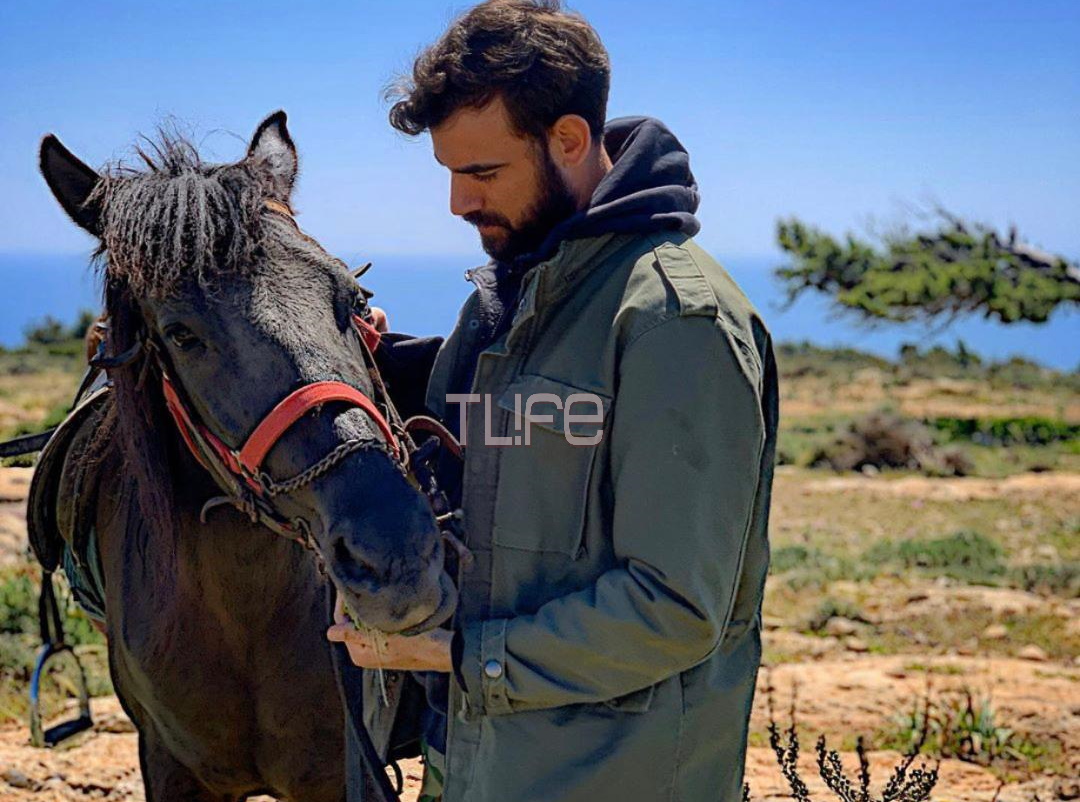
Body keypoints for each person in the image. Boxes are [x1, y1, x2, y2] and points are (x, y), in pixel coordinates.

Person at [326, 1, 778, 800]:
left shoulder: (677, 320)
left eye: (483, 173)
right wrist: (369, 361)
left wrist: (464, 656)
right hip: (470, 765)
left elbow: (675, 606)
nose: (458, 203)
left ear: (568, 140)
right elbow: (478, 446)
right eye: (451, 173)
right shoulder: (509, 297)